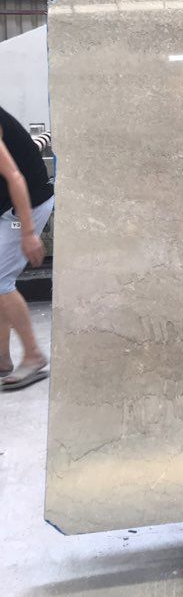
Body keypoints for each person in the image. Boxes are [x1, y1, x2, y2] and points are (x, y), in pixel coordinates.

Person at [0, 104, 54, 390]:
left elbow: (15, 177)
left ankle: (33, 355)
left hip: (27, 206)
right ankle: (2, 358)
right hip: (8, 206)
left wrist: (29, 233)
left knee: (0, 280)